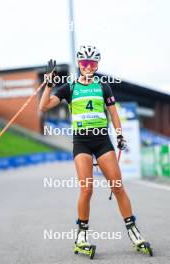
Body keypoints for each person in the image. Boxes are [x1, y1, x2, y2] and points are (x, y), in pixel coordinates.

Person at [40, 45, 152, 258]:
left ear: (97, 65)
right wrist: (48, 85)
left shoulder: (103, 86)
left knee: (117, 186)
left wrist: (119, 135)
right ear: (80, 64)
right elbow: (43, 107)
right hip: (82, 142)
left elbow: (114, 114)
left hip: (102, 141)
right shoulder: (69, 87)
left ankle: (134, 231)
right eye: (84, 63)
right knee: (86, 190)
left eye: (93, 64)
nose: (88, 67)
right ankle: (81, 236)